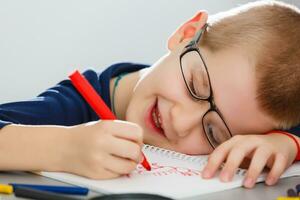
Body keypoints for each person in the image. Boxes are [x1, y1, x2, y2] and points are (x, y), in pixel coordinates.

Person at [0, 0, 299, 189]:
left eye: (214, 132)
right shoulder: (75, 103)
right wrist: (64, 148)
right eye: (196, 87)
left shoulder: (246, 112)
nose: (181, 123)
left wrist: (286, 142)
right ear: (186, 33)